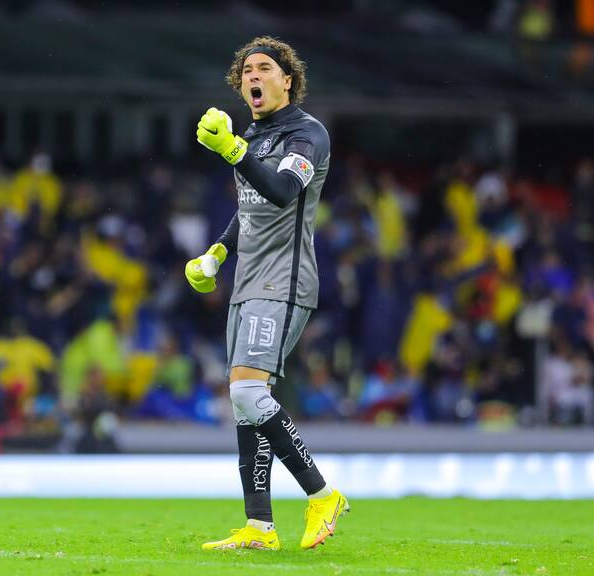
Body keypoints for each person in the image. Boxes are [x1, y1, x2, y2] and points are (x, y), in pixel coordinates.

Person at [186, 36, 348, 551]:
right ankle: (259, 526)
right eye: (245, 72)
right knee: (246, 406)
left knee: (247, 393)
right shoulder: (255, 137)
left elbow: (281, 193)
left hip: (284, 280)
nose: (252, 77)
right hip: (248, 282)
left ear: (287, 79)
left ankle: (322, 495)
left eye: (263, 68)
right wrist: (216, 252)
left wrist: (231, 149)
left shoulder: (307, 135)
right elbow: (253, 207)